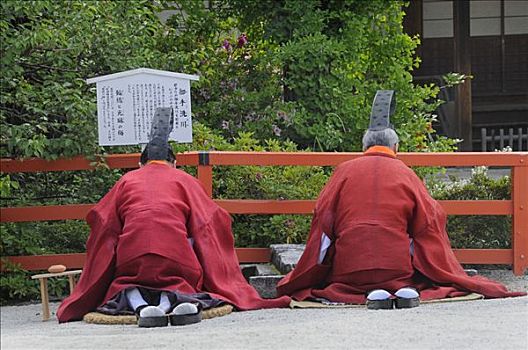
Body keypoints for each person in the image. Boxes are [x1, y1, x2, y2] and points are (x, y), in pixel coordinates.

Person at [276, 91, 526, 309]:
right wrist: (440, 266)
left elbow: (323, 225)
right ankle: (399, 290)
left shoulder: (343, 172)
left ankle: (369, 290)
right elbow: (429, 224)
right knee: (412, 260)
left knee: (349, 272)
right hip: (396, 269)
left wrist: (311, 272)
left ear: (363, 145)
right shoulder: (406, 174)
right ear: (396, 146)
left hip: (350, 269)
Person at [57, 108, 290, 325]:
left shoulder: (125, 181)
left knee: (127, 281)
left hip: (132, 255)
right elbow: (210, 222)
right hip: (175, 255)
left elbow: (103, 222)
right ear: (175, 163)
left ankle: (141, 309)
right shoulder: (185, 180)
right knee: (179, 276)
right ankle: (175, 303)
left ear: (140, 163)